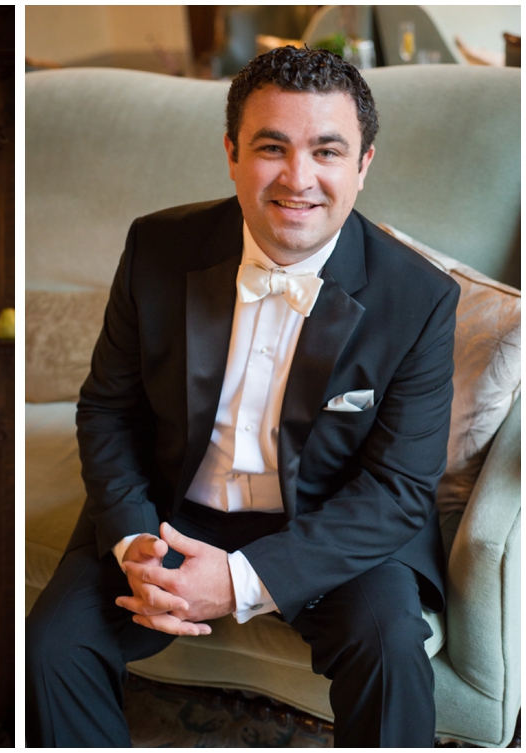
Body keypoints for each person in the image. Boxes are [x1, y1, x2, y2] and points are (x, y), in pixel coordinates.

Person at [26, 46, 459, 748]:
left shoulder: (419, 298)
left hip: (329, 521)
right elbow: (108, 409)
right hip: (171, 510)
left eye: (326, 151)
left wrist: (239, 580)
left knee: (389, 652)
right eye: (271, 147)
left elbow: (399, 490)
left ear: (363, 165)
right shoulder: (156, 248)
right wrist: (136, 538)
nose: (298, 178)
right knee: (52, 646)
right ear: (231, 154)